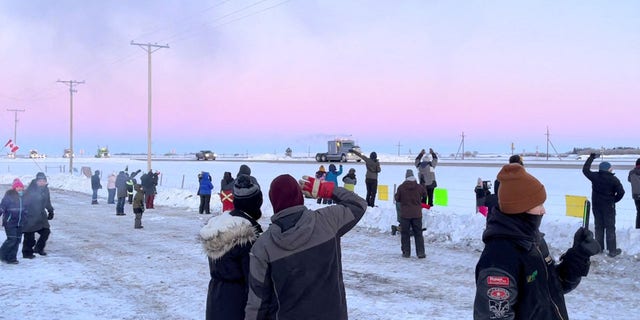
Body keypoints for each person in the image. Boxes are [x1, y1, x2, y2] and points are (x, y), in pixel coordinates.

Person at [474, 163, 600, 319]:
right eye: (538, 204)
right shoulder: (499, 258)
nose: (543, 210)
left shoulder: (533, 240)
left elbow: (554, 286)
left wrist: (579, 255)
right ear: (519, 207)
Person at [244, 174, 367, 319]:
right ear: (300, 196)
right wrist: (325, 189)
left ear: (273, 202)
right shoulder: (328, 220)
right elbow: (358, 204)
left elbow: (257, 302)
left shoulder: (263, 246)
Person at [200, 174, 263, 320]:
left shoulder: (220, 226)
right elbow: (253, 283)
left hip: (216, 300)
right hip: (238, 304)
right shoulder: (246, 235)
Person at [582, 153, 625, 257]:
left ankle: (599, 249)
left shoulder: (595, 176)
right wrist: (614, 200)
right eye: (610, 168)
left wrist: (591, 158)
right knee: (610, 228)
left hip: (597, 206)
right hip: (609, 207)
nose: (612, 169)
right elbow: (621, 192)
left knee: (599, 227)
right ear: (607, 169)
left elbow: (585, 170)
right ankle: (612, 251)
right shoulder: (614, 180)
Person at [394, 169, 427, 259]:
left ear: (406, 177)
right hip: (417, 214)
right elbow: (425, 194)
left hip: (405, 214)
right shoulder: (419, 187)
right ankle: (420, 253)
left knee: (405, 234)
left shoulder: (401, 187)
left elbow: (397, 199)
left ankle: (406, 252)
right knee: (418, 233)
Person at [22, 172, 54, 258]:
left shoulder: (45, 190)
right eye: (40, 181)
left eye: (44, 181)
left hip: (41, 215)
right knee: (29, 234)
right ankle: (27, 253)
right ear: (36, 181)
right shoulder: (30, 190)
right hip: (30, 215)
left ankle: (39, 248)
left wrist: (50, 211)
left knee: (46, 231)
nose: (42, 182)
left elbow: (47, 201)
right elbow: (24, 202)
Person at [0, 178, 27, 264]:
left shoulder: (24, 197)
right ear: (14, 188)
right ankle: (2, 254)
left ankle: (11, 258)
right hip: (10, 222)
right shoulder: (8, 197)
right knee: (12, 239)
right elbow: (1, 208)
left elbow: (26, 210)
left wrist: (26, 218)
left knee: (17, 240)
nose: (20, 188)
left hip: (20, 223)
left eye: (21, 187)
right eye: (17, 187)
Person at [627, 158, 640, 229]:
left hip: (636, 195)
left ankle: (638, 228)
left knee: (639, 212)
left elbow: (629, 180)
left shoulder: (632, 172)